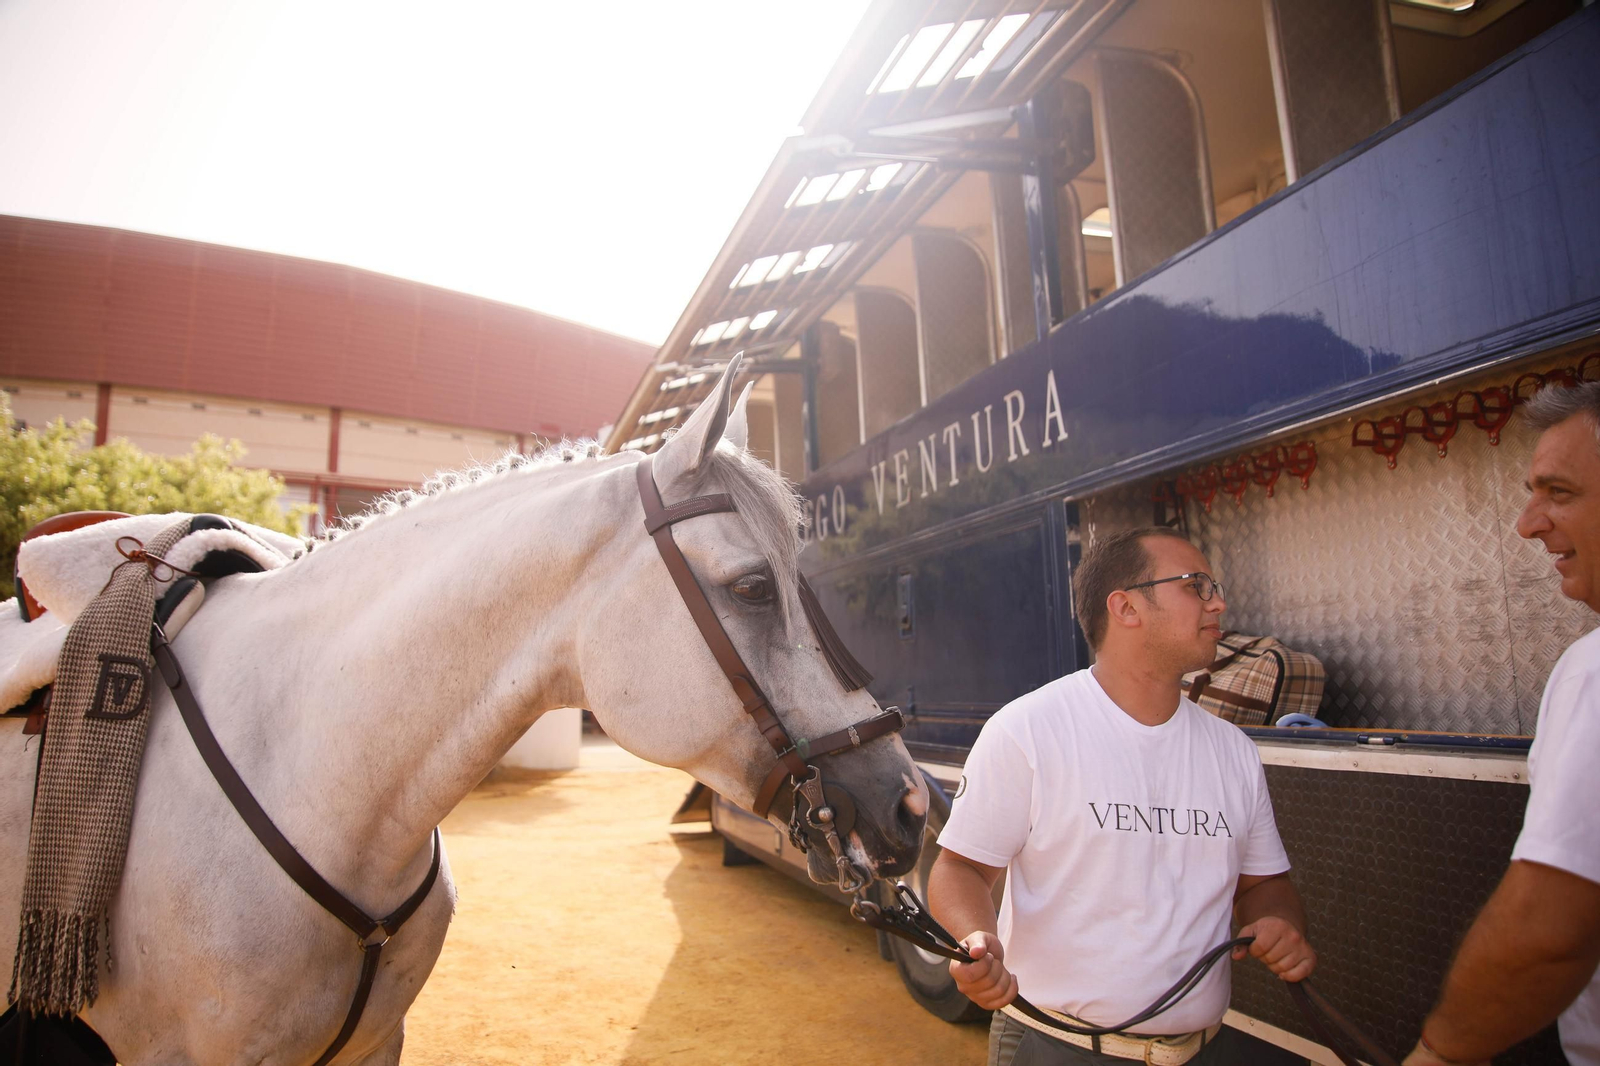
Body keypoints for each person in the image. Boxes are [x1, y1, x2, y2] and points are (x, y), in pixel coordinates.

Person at [930, 526, 1316, 1065]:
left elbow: (1264, 885)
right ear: (1126, 607)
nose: (1218, 603)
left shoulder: (1235, 752)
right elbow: (960, 869)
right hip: (1056, 1048)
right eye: (1196, 586)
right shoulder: (1028, 730)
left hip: (1202, 1051)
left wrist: (1279, 922)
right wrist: (975, 937)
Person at [1405, 382, 1600, 1066]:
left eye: (1560, 492)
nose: (1526, 523)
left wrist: (1442, 1054)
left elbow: (1550, 931)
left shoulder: (1593, 672)